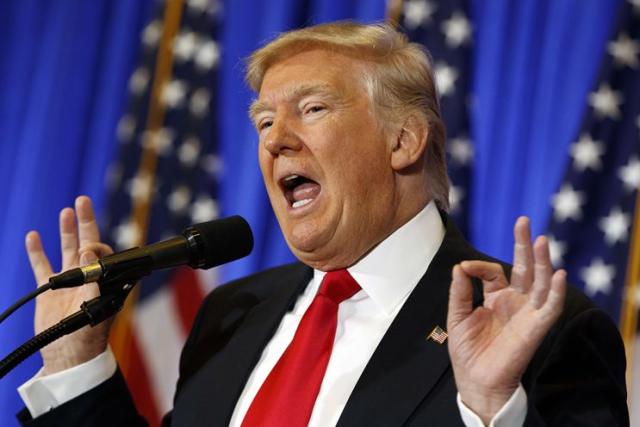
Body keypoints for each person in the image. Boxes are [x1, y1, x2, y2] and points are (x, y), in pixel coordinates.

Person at [17, 22, 627, 426]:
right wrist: (76, 365)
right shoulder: (228, 317)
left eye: (312, 109)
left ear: (404, 140)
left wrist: (491, 409)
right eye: (262, 122)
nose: (277, 139)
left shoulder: (532, 329)